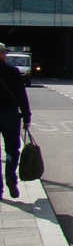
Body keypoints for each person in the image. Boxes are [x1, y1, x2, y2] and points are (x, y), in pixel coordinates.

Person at [0, 43, 31, 199]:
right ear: (3, 55)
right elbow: (21, 96)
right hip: (10, 115)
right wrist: (26, 116)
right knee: (12, 149)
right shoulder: (12, 72)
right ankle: (11, 178)